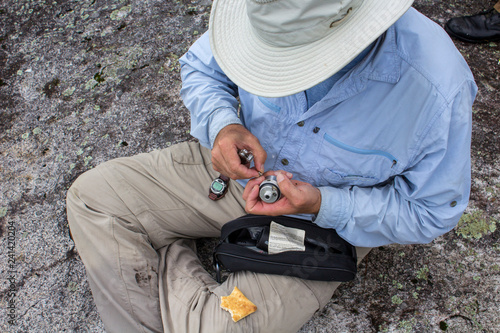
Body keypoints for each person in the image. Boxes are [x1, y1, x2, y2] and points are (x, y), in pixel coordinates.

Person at [66, 0, 477, 332]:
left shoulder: (436, 85)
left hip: (319, 227)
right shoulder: (262, 10)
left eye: (296, 59)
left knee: (222, 328)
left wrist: (320, 203)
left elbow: (432, 210)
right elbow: (202, 68)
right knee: (93, 200)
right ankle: (176, 267)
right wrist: (224, 125)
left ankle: (165, 246)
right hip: (237, 172)